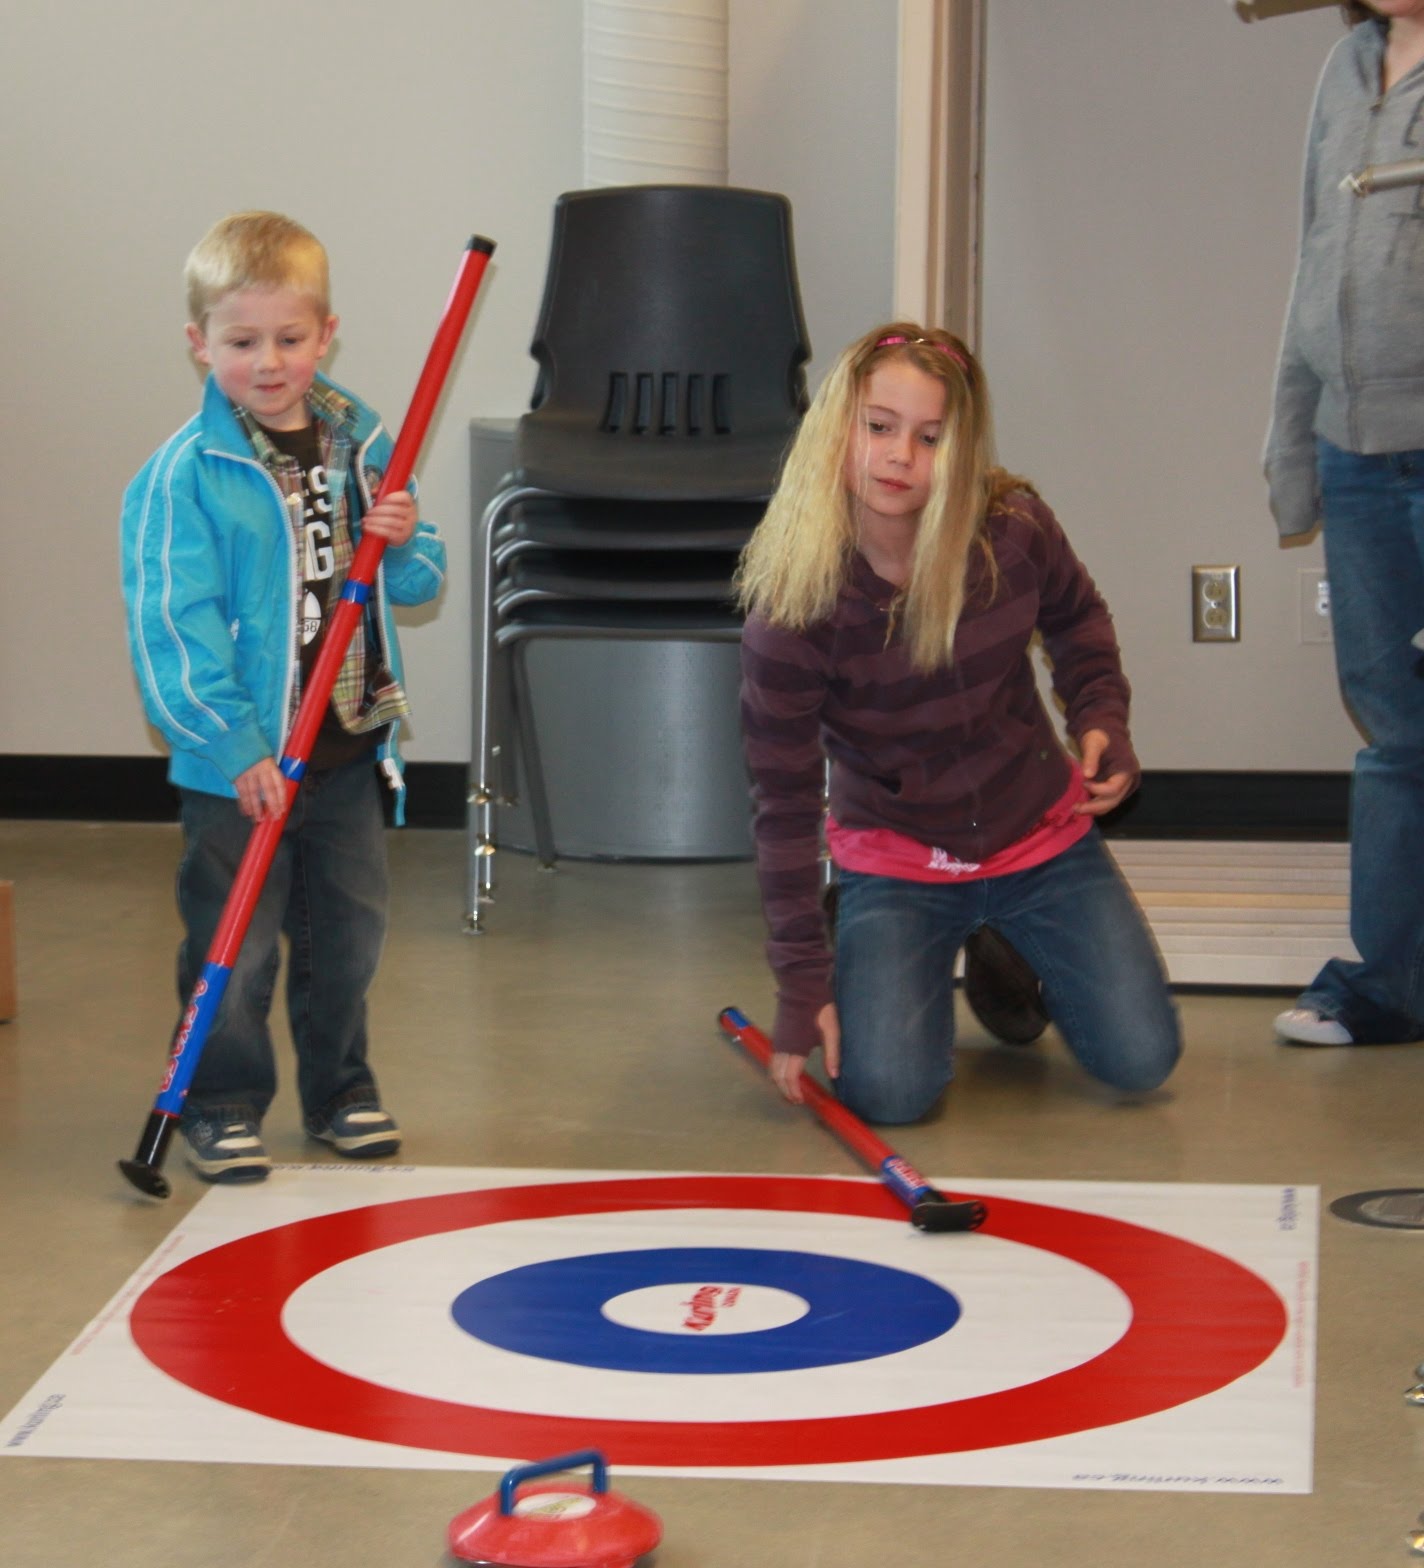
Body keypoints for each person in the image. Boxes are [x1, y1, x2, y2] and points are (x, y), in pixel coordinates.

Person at [737, 324, 1181, 1121]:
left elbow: (1079, 621)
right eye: (878, 427)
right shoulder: (793, 603)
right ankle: (873, 938)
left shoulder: (1014, 531)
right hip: (898, 855)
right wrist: (804, 983)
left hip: (1038, 834)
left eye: (930, 437)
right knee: (889, 1095)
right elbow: (784, 803)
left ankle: (998, 944)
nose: (900, 455)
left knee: (1143, 1061)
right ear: (839, 427)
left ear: (963, 450)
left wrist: (1101, 718)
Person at [120, 212, 447, 1181]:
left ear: (326, 332)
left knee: (345, 941)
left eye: (290, 339)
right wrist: (236, 747)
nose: (269, 363)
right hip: (244, 765)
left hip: (346, 745)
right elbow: (174, 629)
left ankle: (342, 1088)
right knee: (239, 949)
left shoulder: (361, 439)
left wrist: (403, 536)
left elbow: (418, 583)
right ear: (199, 344)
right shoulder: (183, 476)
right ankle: (221, 1101)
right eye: (242, 341)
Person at [1264, 0, 1424, 1047]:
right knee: (1392, 730)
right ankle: (1388, 987)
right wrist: (1289, 439)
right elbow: (1313, 254)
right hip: (1348, 447)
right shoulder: (1343, 65)